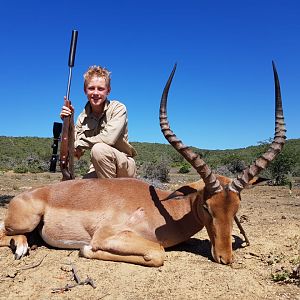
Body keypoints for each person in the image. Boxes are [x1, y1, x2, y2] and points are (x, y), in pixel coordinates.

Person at [60, 65, 137, 179]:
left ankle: (111, 195)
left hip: (123, 165)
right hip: (98, 167)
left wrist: (79, 143)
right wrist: (69, 122)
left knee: (99, 149)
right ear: (85, 90)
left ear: (108, 91)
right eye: (91, 88)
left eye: (100, 89)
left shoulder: (118, 108)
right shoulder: (82, 118)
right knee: (79, 187)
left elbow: (107, 139)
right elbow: (77, 153)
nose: (95, 93)